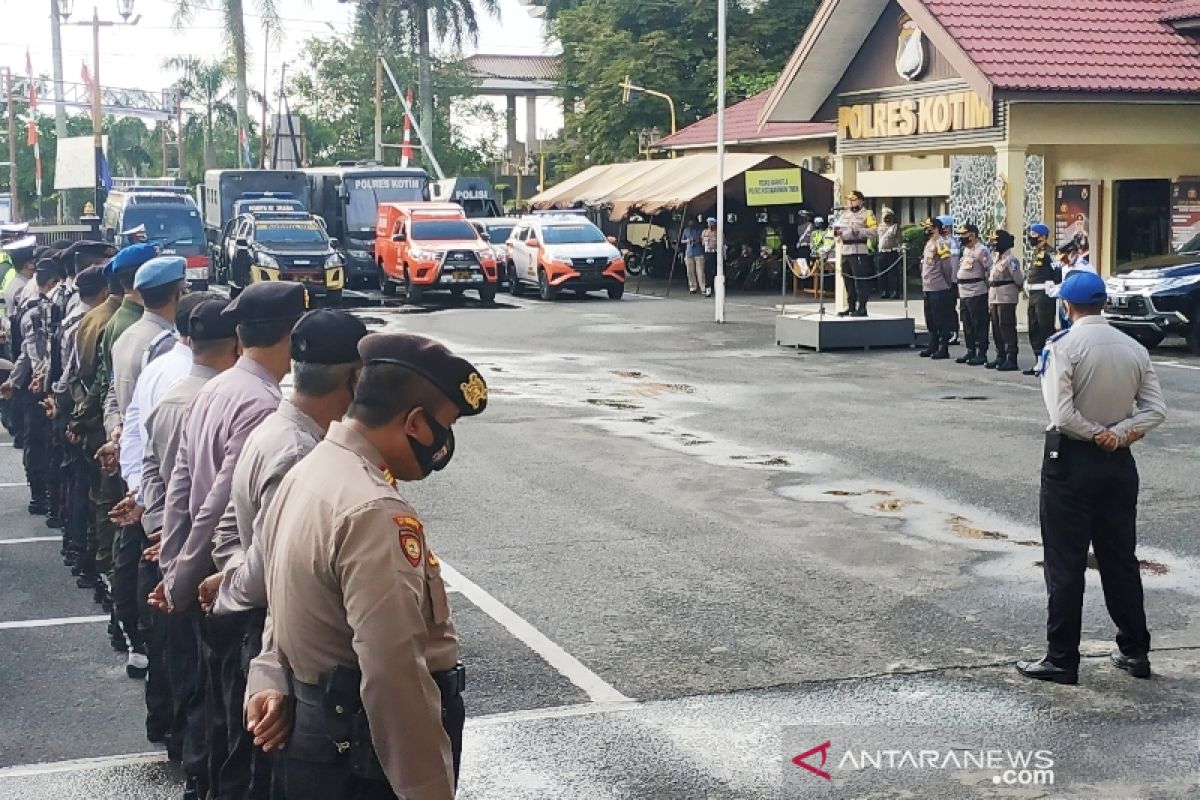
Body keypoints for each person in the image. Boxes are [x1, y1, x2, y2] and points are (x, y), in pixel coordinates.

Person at [245, 332, 485, 800]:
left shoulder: (308, 471)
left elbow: (282, 599)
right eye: (446, 424)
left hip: (319, 742)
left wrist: (269, 674)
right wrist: (427, 790)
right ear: (415, 423)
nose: (445, 442)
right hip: (363, 759)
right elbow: (393, 670)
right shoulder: (372, 509)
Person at [196, 309, 367, 800]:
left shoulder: (273, 427)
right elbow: (274, 562)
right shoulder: (300, 450)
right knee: (257, 779)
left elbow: (228, 527)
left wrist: (225, 573)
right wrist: (231, 587)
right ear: (355, 380)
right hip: (278, 637)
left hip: (265, 627)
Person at [154, 281, 305, 800]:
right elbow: (218, 506)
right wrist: (188, 579)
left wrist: (174, 568)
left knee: (218, 723)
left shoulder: (217, 385)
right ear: (290, 336)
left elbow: (180, 487)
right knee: (243, 743)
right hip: (232, 586)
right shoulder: (262, 404)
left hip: (206, 578)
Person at [1016, 271, 1167, 685]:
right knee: (1120, 558)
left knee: (1065, 562)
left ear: (1066, 305)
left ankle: (1062, 658)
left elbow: (1061, 414)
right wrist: (1117, 435)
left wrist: (1096, 434)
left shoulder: (1061, 347)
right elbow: (1156, 410)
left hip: (1071, 460)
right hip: (1119, 461)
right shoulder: (1133, 348)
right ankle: (1135, 651)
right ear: (1104, 304)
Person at [142, 298, 240, 800]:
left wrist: (162, 541)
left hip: (178, 555)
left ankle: (188, 760)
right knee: (214, 691)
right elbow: (215, 505)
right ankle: (202, 777)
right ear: (236, 341)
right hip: (213, 570)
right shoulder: (231, 401)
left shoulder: (172, 390)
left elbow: (164, 479)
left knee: (187, 673)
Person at [47, 266, 109, 575]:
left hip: (74, 410)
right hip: (85, 415)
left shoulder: (77, 319)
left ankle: (76, 551)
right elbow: (77, 376)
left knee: (77, 484)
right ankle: (83, 557)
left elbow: (63, 370)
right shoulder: (90, 322)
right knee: (87, 490)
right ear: (103, 291)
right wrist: (72, 414)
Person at [1, 259, 62, 513]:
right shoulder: (40, 309)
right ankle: (41, 496)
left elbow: (27, 352)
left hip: (34, 383)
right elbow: (36, 353)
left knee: (37, 443)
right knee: (40, 443)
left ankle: (41, 496)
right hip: (42, 386)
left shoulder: (31, 303)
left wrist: (15, 381)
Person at [1022, 222, 1058, 375]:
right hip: (1033, 295)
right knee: (1033, 328)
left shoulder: (1050, 252)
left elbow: (1057, 272)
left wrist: (1054, 287)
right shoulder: (1036, 252)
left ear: (1043, 236)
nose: (1031, 238)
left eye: (1034, 235)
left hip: (1044, 296)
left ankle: (1048, 362)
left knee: (1045, 328)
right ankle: (1038, 360)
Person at [985, 230, 1023, 372]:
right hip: (994, 296)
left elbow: (1018, 279)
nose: (994, 244)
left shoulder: (1011, 259)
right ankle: (1000, 355)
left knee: (1006, 326)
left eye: (996, 241)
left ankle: (1011, 358)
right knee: (996, 327)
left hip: (1006, 296)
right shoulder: (996, 258)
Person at [953, 223, 992, 366]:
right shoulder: (966, 251)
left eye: (964, 235)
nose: (961, 238)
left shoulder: (981, 251)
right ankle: (970, 351)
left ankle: (981, 353)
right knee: (967, 323)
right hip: (964, 293)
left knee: (979, 323)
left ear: (972, 235)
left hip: (976, 292)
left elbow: (989, 269)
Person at [834, 191, 877, 316]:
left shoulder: (867, 214)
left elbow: (874, 231)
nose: (851, 202)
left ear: (861, 201)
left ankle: (862, 307)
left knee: (860, 281)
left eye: (854, 199)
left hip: (858, 249)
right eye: (850, 200)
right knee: (848, 281)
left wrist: (859, 231)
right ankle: (851, 306)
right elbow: (837, 229)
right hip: (845, 250)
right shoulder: (845, 214)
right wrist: (836, 233)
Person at [918, 218, 955, 359]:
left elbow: (947, 267)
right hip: (928, 287)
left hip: (938, 287)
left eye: (929, 228)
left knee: (941, 319)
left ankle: (943, 348)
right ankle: (932, 345)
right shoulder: (929, 243)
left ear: (936, 228)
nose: (926, 230)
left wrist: (947, 282)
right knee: (930, 319)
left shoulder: (941, 244)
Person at [875, 208, 901, 299]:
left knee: (893, 274)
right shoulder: (880, 226)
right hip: (882, 252)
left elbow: (898, 238)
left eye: (889, 217)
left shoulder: (894, 227)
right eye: (885, 217)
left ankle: (894, 291)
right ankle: (884, 291)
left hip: (892, 252)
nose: (887, 219)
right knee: (882, 273)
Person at [680, 217, 706, 295]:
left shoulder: (700, 230)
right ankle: (692, 287)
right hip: (689, 252)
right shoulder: (686, 230)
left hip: (698, 252)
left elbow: (702, 239)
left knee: (700, 271)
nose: (690, 223)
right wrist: (687, 241)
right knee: (690, 271)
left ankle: (703, 287)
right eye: (689, 222)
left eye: (692, 222)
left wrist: (696, 241)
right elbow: (682, 240)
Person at [701, 217, 719, 298]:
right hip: (707, 253)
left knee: (716, 272)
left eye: (712, 223)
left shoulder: (718, 232)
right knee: (707, 272)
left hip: (715, 253)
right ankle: (708, 290)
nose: (710, 224)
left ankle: (717, 288)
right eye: (709, 223)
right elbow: (702, 241)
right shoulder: (705, 232)